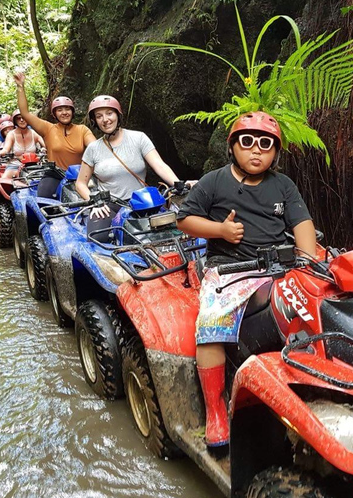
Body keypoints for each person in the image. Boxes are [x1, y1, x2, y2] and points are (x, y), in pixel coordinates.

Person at [176, 112, 316, 448]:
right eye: (248, 142)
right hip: (230, 270)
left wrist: (308, 264)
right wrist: (220, 230)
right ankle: (216, 411)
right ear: (233, 147)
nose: (256, 151)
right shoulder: (215, 180)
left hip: (279, 267)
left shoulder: (283, 185)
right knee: (211, 327)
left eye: (265, 144)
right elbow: (185, 219)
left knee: (315, 311)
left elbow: (302, 224)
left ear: (275, 153)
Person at [76, 95, 195, 236]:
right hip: (110, 205)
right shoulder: (93, 149)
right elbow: (80, 183)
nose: (105, 119)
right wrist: (94, 203)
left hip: (143, 202)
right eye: (99, 116)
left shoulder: (138, 138)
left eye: (109, 113)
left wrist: (179, 184)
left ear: (118, 115)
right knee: (97, 236)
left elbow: (159, 165)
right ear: (95, 121)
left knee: (174, 232)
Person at [12, 72, 95, 170]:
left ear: (72, 112)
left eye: (67, 109)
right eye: (59, 110)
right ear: (54, 114)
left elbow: (94, 147)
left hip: (78, 174)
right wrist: (20, 87)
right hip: (55, 174)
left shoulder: (82, 130)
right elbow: (25, 113)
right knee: (44, 186)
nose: (64, 113)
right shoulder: (48, 128)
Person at [0, 109, 45, 178]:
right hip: (15, 165)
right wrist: (0, 152)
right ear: (15, 121)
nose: (22, 120)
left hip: (34, 165)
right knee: (4, 181)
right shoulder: (11, 134)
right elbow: (6, 149)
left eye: (24, 117)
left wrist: (44, 148)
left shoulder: (34, 133)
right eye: (18, 118)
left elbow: (47, 145)